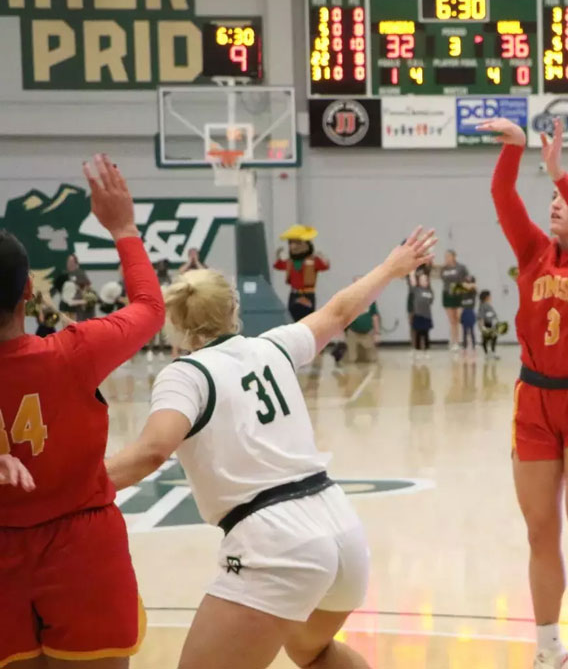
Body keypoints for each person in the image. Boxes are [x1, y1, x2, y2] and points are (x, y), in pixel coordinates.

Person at [104, 227, 438, 669]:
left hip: (276, 543)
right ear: (234, 309)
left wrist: (65, 485)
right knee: (314, 653)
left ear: (177, 325)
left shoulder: (185, 374)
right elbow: (338, 312)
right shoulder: (272, 346)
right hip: (341, 531)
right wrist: (391, 268)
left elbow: (151, 451)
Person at [0, 155, 164, 669]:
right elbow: (149, 307)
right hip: (83, 547)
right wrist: (124, 228)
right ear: (29, 290)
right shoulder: (72, 353)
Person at [479, 116, 568, 669]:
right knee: (541, 531)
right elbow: (502, 194)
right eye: (555, 196)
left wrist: (562, 173)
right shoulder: (534, 251)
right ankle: (548, 649)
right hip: (534, 402)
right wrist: (515, 150)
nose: (556, 203)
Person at [274, 225, 330, 322]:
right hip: (294, 294)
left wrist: (323, 258)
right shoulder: (290, 262)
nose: (293, 246)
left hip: (308, 294)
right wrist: (278, 256)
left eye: (297, 243)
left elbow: (324, 266)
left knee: (307, 320)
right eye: (291, 243)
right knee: (293, 319)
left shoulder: (313, 261)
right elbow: (278, 266)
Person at [438, 250, 471, 352]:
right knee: (452, 321)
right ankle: (453, 342)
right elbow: (442, 278)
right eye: (445, 256)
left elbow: (467, 279)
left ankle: (462, 340)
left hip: (459, 295)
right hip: (447, 295)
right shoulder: (444, 268)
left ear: (454, 256)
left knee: (458, 318)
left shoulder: (461, 267)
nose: (447, 258)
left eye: (449, 256)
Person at [343, 285, 380, 364]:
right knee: (351, 359)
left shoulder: (371, 300)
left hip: (367, 332)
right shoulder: (349, 301)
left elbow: (375, 317)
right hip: (353, 332)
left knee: (372, 359)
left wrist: (377, 333)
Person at [407, 270, 435, 360]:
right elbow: (412, 283)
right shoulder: (416, 290)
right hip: (418, 315)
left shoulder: (430, 291)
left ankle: (426, 351)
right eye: (422, 280)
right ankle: (418, 351)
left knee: (426, 334)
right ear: (419, 281)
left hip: (427, 316)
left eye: (425, 280)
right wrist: (411, 273)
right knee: (418, 334)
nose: (424, 281)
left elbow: (430, 301)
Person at [479, 290, 502, 360]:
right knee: (485, 340)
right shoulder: (483, 306)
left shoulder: (488, 305)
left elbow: (493, 315)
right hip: (487, 325)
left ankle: (492, 353)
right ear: (487, 297)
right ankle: (487, 354)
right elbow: (481, 317)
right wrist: (482, 327)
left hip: (491, 324)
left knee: (493, 338)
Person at [459, 274, 479, 356]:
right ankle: (464, 347)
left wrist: (470, 285)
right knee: (464, 331)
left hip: (470, 311)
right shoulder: (461, 291)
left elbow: (474, 286)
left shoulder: (473, 291)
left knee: (471, 330)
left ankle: (474, 346)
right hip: (464, 311)